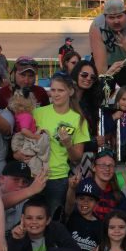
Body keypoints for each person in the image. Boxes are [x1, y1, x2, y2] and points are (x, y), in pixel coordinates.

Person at [30, 74, 90, 215]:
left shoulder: (79, 120)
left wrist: (68, 144)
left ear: (70, 91)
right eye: (53, 90)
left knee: (53, 222)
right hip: (34, 175)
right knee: (32, 219)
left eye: (60, 90)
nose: (55, 94)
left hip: (58, 178)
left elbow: (77, 158)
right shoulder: (38, 113)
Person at [89, 150, 126, 234]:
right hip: (90, 235)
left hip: (113, 235)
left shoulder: (116, 194)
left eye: (111, 166)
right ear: (93, 167)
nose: (107, 169)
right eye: (103, 165)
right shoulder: (86, 188)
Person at [89, 0, 126, 73]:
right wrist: (105, 79)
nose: (116, 21)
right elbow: (101, 67)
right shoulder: (96, 26)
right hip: (108, 66)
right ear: (105, 17)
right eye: (111, 17)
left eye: (119, 16)